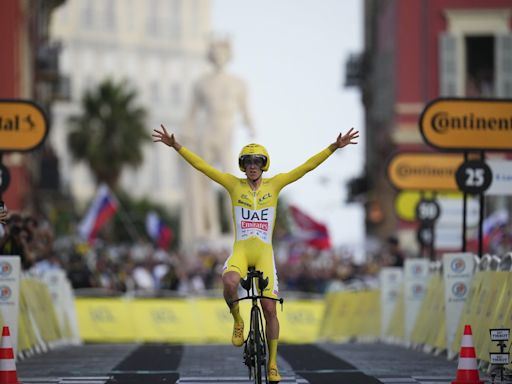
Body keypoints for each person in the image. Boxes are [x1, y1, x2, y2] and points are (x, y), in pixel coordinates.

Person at [153, 124, 359, 383]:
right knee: (228, 281)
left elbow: (306, 167)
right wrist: (176, 146)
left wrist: (333, 147)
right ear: (242, 165)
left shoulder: (275, 185)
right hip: (241, 251)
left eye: (257, 162)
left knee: (269, 309)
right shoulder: (232, 184)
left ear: (264, 165)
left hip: (264, 254)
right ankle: (238, 320)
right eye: (248, 162)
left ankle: (272, 363)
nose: (252, 165)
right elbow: (203, 167)